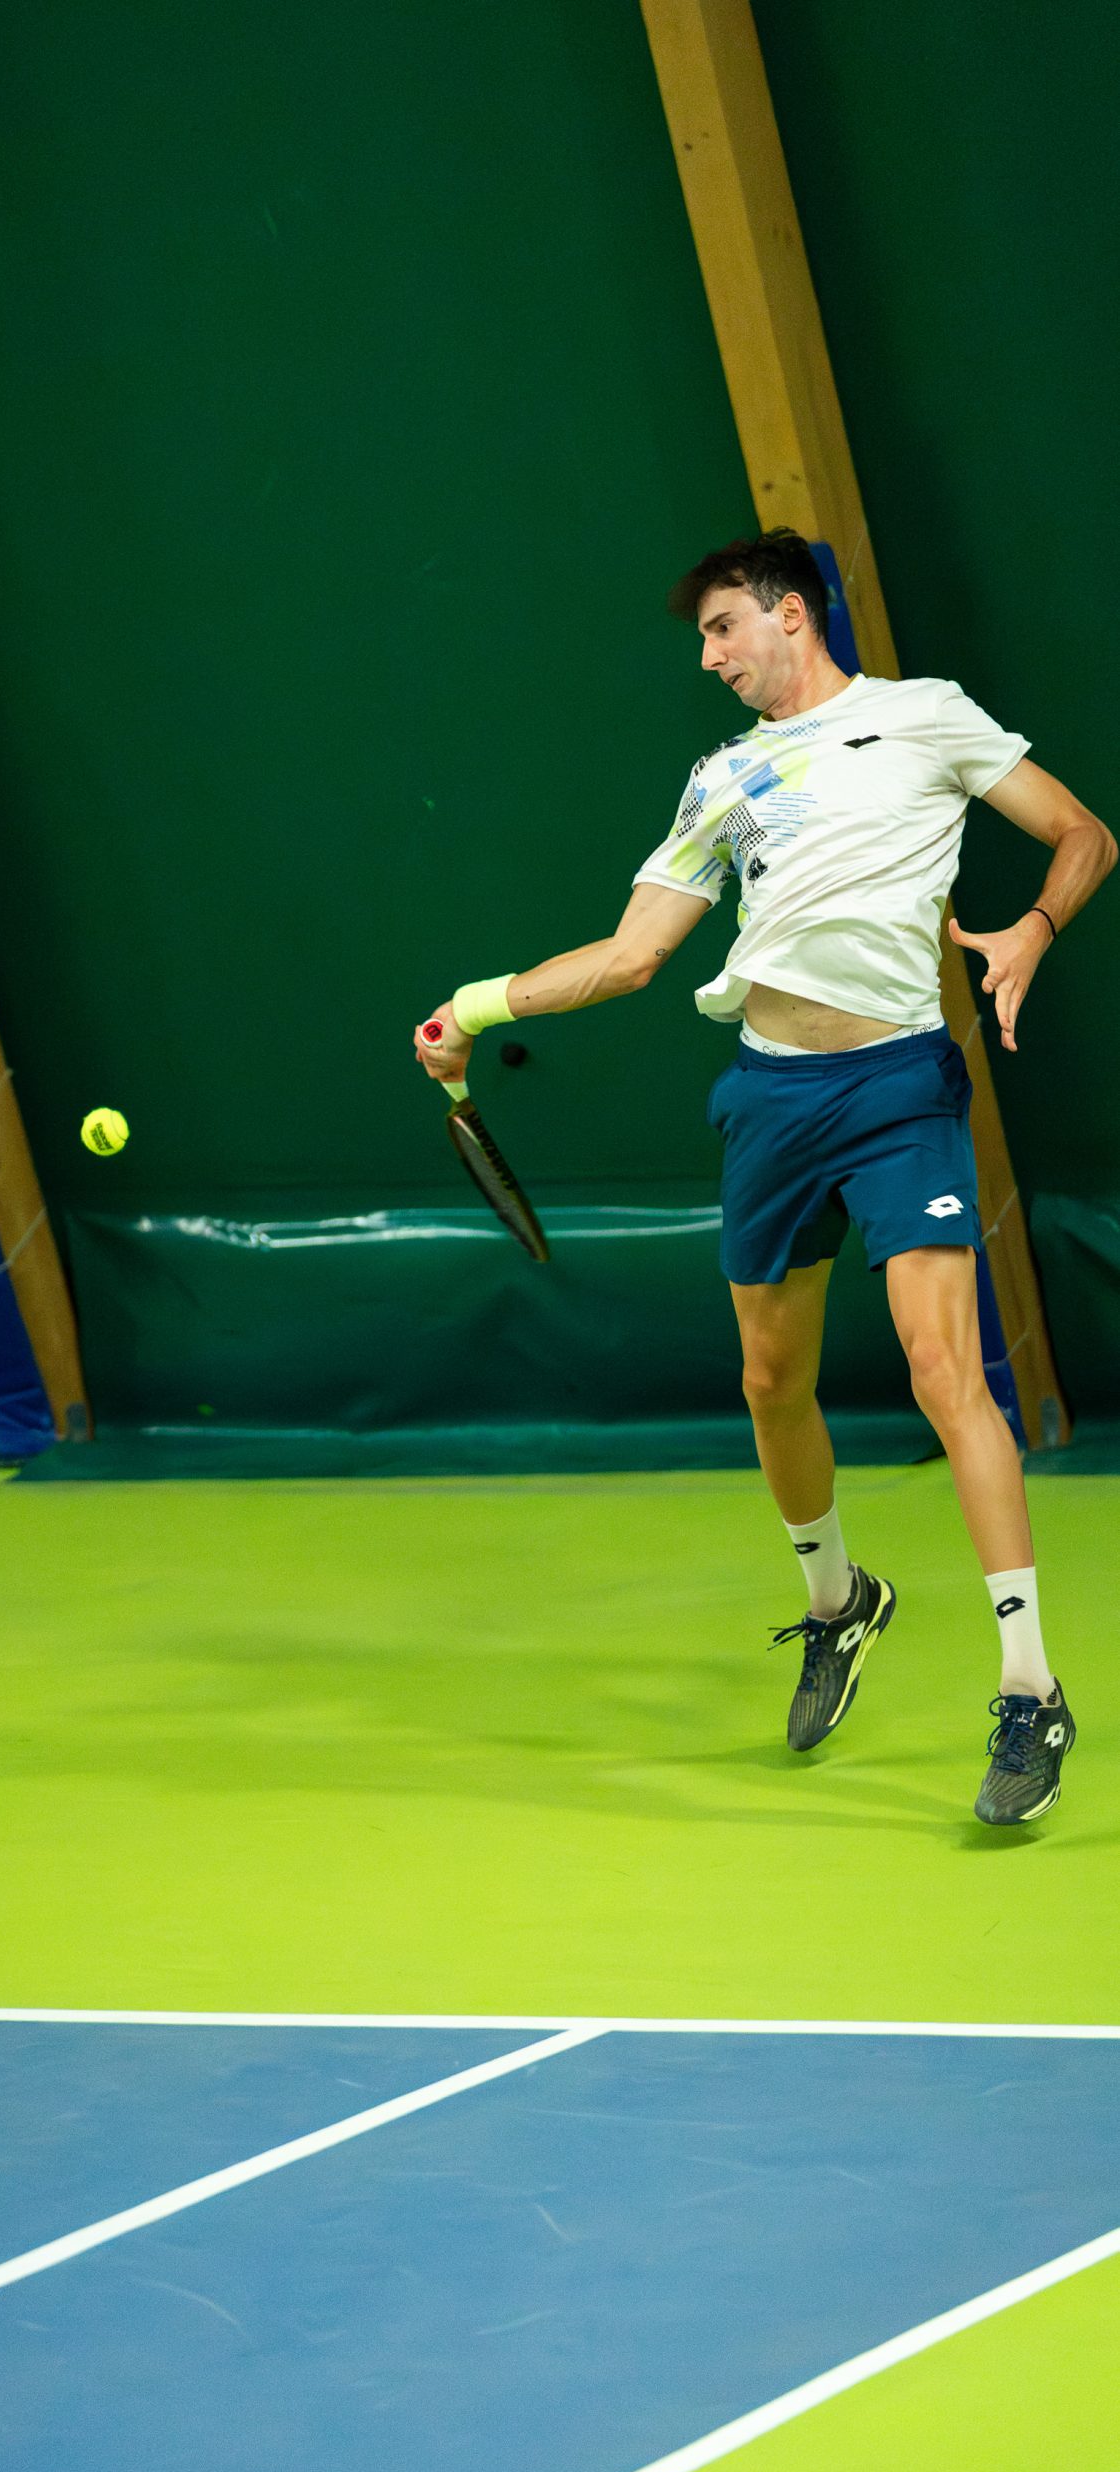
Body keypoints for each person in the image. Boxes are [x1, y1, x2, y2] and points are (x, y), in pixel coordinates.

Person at [415, 528, 1114, 1824]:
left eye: (721, 628)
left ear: (790, 614)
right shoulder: (720, 781)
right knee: (768, 1381)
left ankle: (1030, 1689)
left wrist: (1033, 926)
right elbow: (631, 955)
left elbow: (1082, 833)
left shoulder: (927, 718)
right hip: (770, 1098)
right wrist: (476, 1003)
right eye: (703, 639)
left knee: (945, 1371)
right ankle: (837, 1601)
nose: (709, 657)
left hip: (898, 1087)